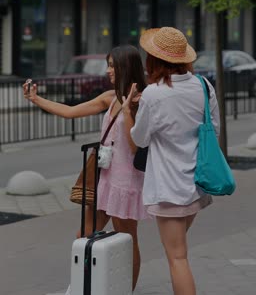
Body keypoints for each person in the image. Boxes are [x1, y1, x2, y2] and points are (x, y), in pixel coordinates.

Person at [23, 45, 149, 292]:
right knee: (84, 234)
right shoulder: (110, 97)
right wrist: (36, 99)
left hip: (125, 182)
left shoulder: (141, 100)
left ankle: (125, 290)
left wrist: (127, 111)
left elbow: (135, 146)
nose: (108, 70)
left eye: (113, 65)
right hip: (104, 178)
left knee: (128, 241)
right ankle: (86, 286)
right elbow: (71, 112)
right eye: (108, 65)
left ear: (127, 66)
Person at [123, 27, 220, 295]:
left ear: (153, 60)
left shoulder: (154, 94)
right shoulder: (203, 86)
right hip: (197, 184)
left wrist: (129, 111)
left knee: (177, 258)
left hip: (169, 188)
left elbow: (139, 140)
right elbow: (215, 129)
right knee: (177, 252)